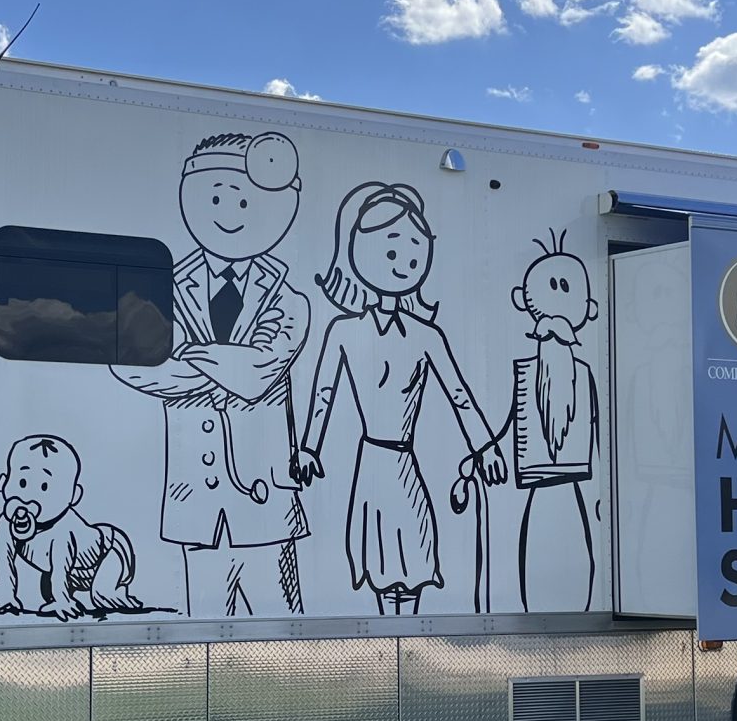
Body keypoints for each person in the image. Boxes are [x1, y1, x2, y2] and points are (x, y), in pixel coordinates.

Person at [112, 133, 310, 615]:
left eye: (243, 199)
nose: (229, 210)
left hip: (264, 497)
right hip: (194, 497)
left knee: (283, 626)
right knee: (202, 627)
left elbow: (259, 374)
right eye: (216, 196)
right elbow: (131, 364)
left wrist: (188, 354)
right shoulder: (164, 287)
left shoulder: (288, 297)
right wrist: (230, 364)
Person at [293, 181, 505, 615]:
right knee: (378, 561)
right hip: (372, 462)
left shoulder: (427, 336)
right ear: (359, 254)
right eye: (391, 252)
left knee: (413, 556)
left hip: (403, 461)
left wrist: (484, 447)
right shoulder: (345, 330)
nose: (404, 263)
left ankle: (404, 630)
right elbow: (324, 394)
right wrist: (310, 447)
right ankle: (391, 634)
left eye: (413, 253)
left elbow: (459, 394)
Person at [507, 236, 602, 610]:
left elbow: (596, 436)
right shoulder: (527, 372)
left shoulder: (583, 373)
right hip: (547, 488)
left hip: (567, 486)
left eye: (567, 287)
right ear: (522, 300)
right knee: (546, 558)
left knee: (574, 558)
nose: (560, 293)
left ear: (589, 308)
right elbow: (509, 423)